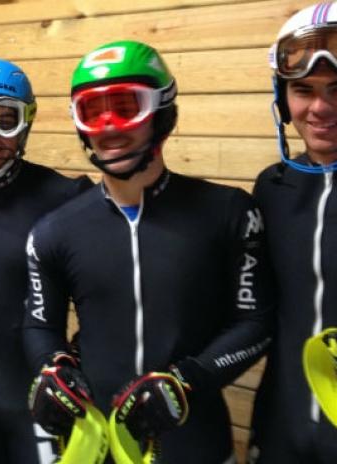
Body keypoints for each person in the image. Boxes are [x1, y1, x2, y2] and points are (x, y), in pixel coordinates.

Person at [23, 40, 274, 463]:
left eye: (126, 107)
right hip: (97, 443)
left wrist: (188, 381)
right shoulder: (54, 231)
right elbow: (38, 326)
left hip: (197, 444)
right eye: (91, 111)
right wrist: (53, 366)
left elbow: (256, 321)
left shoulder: (230, 211)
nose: (108, 126)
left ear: (162, 112)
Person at [0, 58, 92, 464]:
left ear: (25, 124)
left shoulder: (67, 196)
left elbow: (106, 299)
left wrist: (75, 360)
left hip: (40, 398)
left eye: (5, 120)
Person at [247, 3, 337, 462]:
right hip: (281, 426)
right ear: (283, 100)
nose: (320, 108)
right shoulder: (271, 187)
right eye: (303, 90)